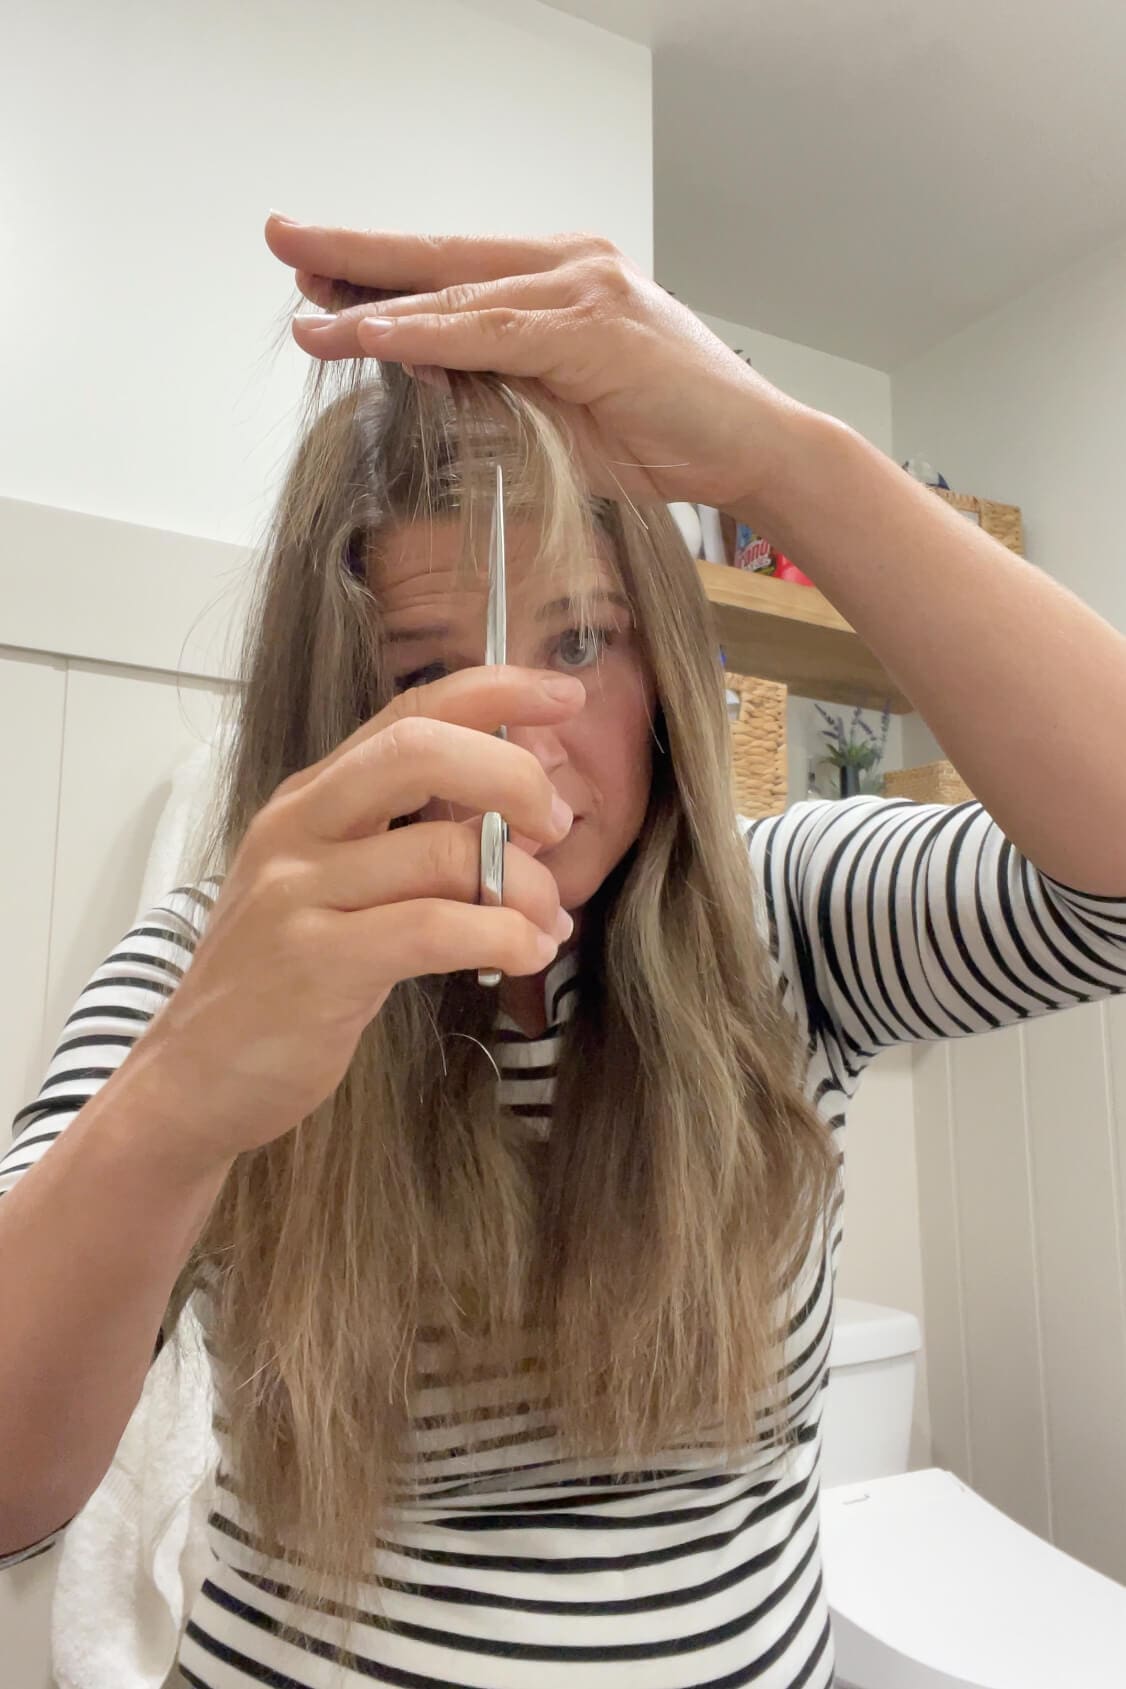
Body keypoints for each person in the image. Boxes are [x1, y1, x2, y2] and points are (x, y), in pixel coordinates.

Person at [2, 220, 1125, 1689]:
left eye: (584, 640)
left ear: (664, 670)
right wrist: (181, 1103)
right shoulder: (223, 967)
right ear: (339, 704)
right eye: (423, 670)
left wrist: (785, 458)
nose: (521, 730)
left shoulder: (785, 913)